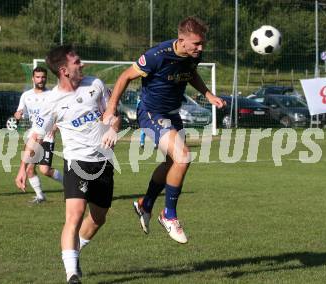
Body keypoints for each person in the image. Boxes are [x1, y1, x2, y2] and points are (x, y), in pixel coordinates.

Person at [103, 17, 225, 244]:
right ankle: (168, 215)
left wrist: (208, 94)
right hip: (151, 113)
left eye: (202, 44)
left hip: (172, 115)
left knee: (173, 163)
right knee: (183, 156)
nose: (201, 48)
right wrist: (111, 108)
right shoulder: (156, 56)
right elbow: (125, 77)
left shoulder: (193, 56)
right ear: (181, 40)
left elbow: (191, 73)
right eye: (196, 44)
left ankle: (145, 204)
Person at [15, 45, 119, 284]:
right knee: (74, 216)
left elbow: (113, 113)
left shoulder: (95, 85)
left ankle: (75, 251)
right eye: (77, 62)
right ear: (64, 70)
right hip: (76, 164)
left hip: (103, 163)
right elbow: (35, 138)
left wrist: (112, 128)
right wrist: (22, 167)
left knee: (98, 218)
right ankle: (71, 274)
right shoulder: (51, 101)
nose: (82, 65)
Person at [14, 66, 63, 203]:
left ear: (46, 78)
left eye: (43, 77)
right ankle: (40, 196)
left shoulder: (52, 95)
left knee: (45, 170)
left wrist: (55, 127)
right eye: (38, 77)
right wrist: (17, 115)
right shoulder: (26, 95)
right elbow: (19, 112)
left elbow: (60, 115)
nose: (40, 80)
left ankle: (68, 184)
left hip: (47, 136)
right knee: (29, 168)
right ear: (33, 78)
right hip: (33, 135)